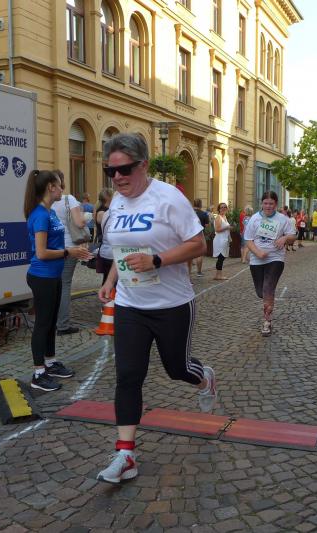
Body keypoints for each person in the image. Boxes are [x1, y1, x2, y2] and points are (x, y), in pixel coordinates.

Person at [96, 133, 216, 484]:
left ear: (144, 165)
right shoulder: (117, 204)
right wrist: (111, 281)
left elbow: (199, 245)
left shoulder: (168, 198)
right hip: (130, 305)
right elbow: (122, 251)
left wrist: (157, 260)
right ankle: (125, 455)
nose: (118, 177)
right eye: (111, 171)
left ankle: (205, 378)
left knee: (177, 369)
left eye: (125, 169)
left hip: (171, 304)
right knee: (128, 376)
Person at [23, 170, 91, 392]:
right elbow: (41, 253)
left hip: (54, 275)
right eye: (60, 185)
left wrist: (73, 251)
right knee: (42, 324)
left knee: (51, 322)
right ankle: (38, 373)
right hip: (42, 276)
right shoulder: (40, 215)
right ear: (51, 187)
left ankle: (50, 363)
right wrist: (69, 252)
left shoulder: (50, 212)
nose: (63, 189)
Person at [244, 191, 296, 336]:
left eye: (271, 203)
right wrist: (257, 252)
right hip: (257, 259)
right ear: (261, 203)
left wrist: (285, 238)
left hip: (275, 258)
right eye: (265, 203)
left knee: (268, 288)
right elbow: (248, 240)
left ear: (276, 204)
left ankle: (267, 322)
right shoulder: (254, 219)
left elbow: (292, 236)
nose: (268, 206)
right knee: (261, 292)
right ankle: (268, 300)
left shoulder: (283, 219)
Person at [52, 170, 89, 336]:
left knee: (52, 285)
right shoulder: (69, 199)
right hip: (69, 247)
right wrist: (86, 217)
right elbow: (79, 223)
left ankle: (51, 322)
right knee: (65, 285)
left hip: (52, 248)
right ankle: (63, 325)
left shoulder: (45, 201)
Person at [95, 188, 114, 283]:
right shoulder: (104, 212)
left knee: (107, 278)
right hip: (107, 247)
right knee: (109, 279)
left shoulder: (102, 210)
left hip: (105, 248)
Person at [187, 198, 210, 277]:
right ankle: (199, 272)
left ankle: (188, 275)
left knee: (189, 254)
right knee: (199, 254)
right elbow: (207, 225)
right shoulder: (204, 214)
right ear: (200, 204)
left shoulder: (189, 213)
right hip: (199, 234)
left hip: (189, 234)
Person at [212, 203, 231, 281]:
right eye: (222, 207)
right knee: (221, 257)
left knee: (222, 257)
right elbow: (217, 229)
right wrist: (227, 227)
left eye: (225, 207)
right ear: (219, 209)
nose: (223, 208)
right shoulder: (218, 217)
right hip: (219, 240)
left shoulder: (224, 217)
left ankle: (218, 275)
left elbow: (225, 228)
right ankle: (218, 275)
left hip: (224, 239)